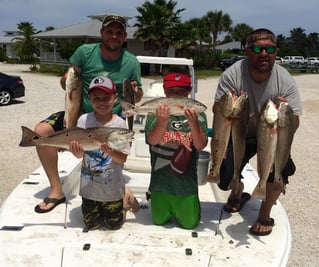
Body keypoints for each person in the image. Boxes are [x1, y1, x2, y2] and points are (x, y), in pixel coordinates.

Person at [34, 14, 143, 213]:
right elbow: (66, 81)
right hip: (78, 112)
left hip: (108, 121)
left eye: (118, 33)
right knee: (41, 131)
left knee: (106, 161)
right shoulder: (84, 52)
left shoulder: (132, 62)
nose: (113, 36)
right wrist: (66, 79)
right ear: (101, 33)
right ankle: (57, 190)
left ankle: (121, 191)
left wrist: (136, 92)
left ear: (125, 36)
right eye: (109, 31)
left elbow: (138, 94)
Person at [214, 28, 302, 235]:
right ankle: (238, 190)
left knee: (278, 170)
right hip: (239, 132)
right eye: (257, 48)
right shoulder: (232, 74)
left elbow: (295, 121)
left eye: (270, 49)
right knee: (222, 177)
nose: (264, 54)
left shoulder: (285, 80)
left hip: (270, 136)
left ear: (275, 52)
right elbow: (217, 111)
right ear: (247, 50)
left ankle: (264, 213)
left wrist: (285, 116)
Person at [144, 68, 208, 229]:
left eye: (182, 91)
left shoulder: (198, 115)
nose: (177, 94)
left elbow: (200, 145)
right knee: (158, 221)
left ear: (189, 91)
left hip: (186, 184)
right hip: (160, 182)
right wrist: (161, 122)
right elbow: (152, 140)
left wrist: (193, 123)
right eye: (172, 91)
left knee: (190, 224)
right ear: (165, 91)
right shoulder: (155, 113)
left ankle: (191, 205)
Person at [68, 76, 135, 230]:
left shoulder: (120, 124)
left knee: (114, 225)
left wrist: (111, 152)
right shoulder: (83, 120)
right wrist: (76, 151)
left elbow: (122, 158)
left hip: (112, 188)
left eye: (106, 97)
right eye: (96, 98)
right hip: (89, 188)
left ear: (115, 98)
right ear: (89, 98)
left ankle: (127, 196)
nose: (101, 102)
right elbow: (80, 156)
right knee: (92, 225)